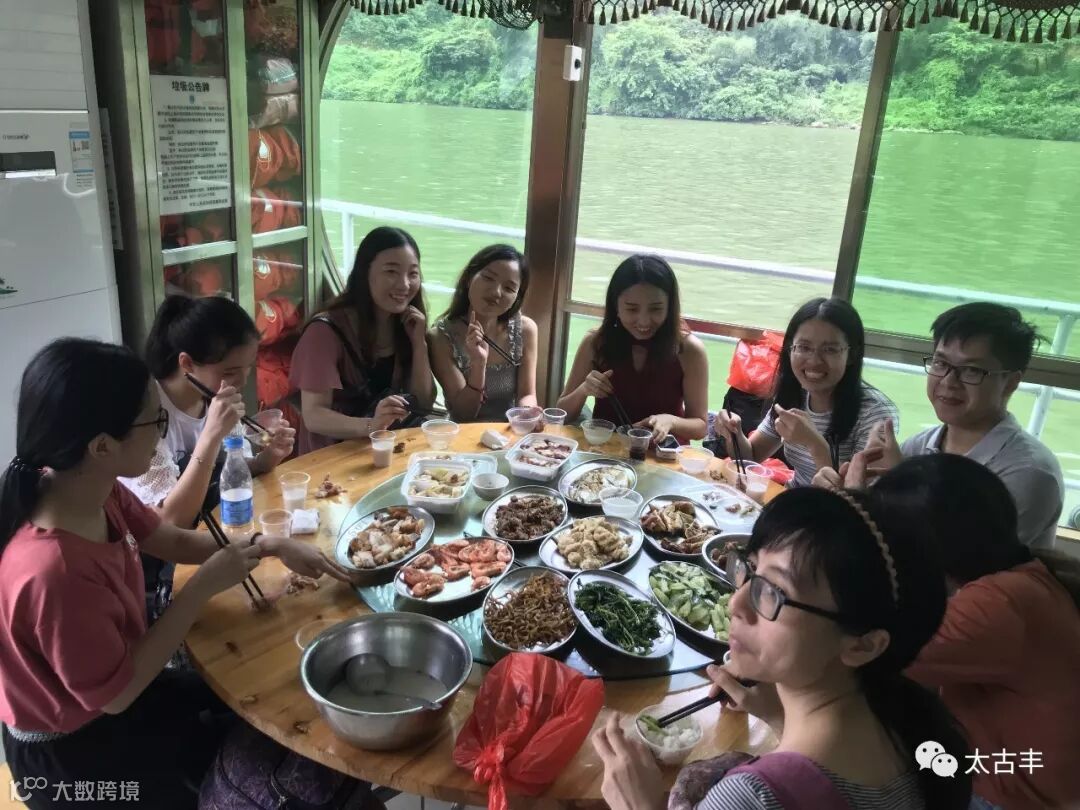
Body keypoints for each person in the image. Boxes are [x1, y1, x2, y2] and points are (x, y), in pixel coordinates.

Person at [0, 338, 354, 810]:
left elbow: (176, 542)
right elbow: (116, 695)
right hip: (77, 752)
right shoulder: (55, 572)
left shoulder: (94, 489)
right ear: (102, 446)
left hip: (125, 689)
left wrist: (270, 544)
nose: (161, 434)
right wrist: (202, 587)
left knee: (257, 697)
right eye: (155, 421)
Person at [592, 485, 972, 810]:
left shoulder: (751, 798)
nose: (735, 603)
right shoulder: (910, 736)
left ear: (863, 646)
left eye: (773, 592)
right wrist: (779, 716)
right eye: (750, 570)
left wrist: (637, 805)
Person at [830, 454, 1080, 810]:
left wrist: (845, 521)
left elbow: (856, 650)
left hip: (1006, 796)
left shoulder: (996, 606)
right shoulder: (1021, 577)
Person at [121, 295, 295, 626]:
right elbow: (170, 522)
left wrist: (264, 460)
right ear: (187, 364)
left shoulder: (212, 396)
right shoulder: (147, 414)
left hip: (216, 541)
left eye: (248, 368)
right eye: (230, 371)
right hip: (158, 574)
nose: (241, 381)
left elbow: (231, 472)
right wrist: (212, 435)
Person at [861, 303, 1064, 549]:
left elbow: (960, 561)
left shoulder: (1029, 474)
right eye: (940, 363)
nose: (948, 381)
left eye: (971, 370)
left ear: (1011, 382)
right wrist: (853, 490)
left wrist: (898, 482)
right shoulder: (919, 446)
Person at [712, 298, 898, 487]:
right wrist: (734, 433)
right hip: (793, 498)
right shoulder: (794, 394)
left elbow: (859, 497)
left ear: (852, 354)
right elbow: (751, 457)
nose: (814, 360)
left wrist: (815, 444)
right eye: (804, 347)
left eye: (830, 350)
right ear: (790, 348)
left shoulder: (875, 415)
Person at [290, 226, 435, 454]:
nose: (404, 284)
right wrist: (372, 426)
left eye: (413, 274)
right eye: (391, 272)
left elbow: (423, 402)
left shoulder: (407, 326)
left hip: (389, 449)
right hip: (334, 457)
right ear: (364, 273)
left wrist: (419, 344)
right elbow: (314, 415)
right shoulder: (323, 332)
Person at [556, 254, 708, 443]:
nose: (644, 321)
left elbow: (701, 426)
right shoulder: (595, 343)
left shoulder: (689, 349)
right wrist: (584, 390)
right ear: (616, 306)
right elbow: (562, 414)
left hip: (663, 453)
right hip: (605, 449)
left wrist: (671, 421)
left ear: (670, 307)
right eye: (632, 309)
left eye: (656, 309)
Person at [429, 244, 539, 422]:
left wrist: (528, 414)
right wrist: (478, 364)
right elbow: (463, 414)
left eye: (509, 288)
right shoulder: (440, 337)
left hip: (509, 430)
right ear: (469, 278)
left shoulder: (525, 330)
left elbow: (527, 394)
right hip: (463, 433)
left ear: (517, 298)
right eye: (488, 278)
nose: (496, 292)